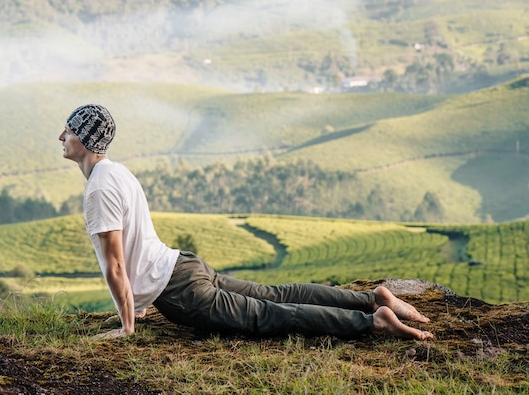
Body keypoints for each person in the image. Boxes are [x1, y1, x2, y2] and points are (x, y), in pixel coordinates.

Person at [59, 104, 434, 341]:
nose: (62, 136)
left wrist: (127, 326)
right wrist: (138, 305)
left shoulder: (98, 189)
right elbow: (136, 243)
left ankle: (375, 322)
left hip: (181, 292)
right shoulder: (116, 172)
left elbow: (117, 265)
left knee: (271, 316)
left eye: (70, 130)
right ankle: (371, 299)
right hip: (183, 267)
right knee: (277, 296)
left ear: (88, 140)